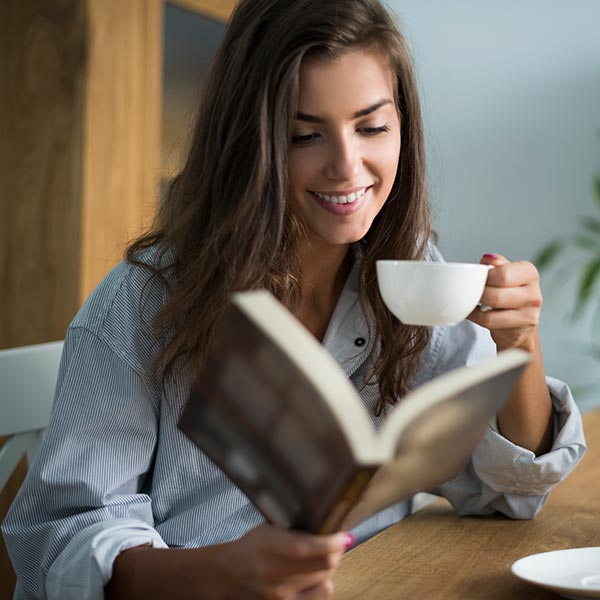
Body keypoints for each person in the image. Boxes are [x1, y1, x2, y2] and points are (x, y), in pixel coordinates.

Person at [2, 0, 586, 598]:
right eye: (304, 135)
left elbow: (507, 490)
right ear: (247, 143)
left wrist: (519, 342)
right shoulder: (141, 303)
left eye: (372, 127)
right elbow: (60, 537)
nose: (346, 165)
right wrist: (222, 574)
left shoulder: (409, 277)